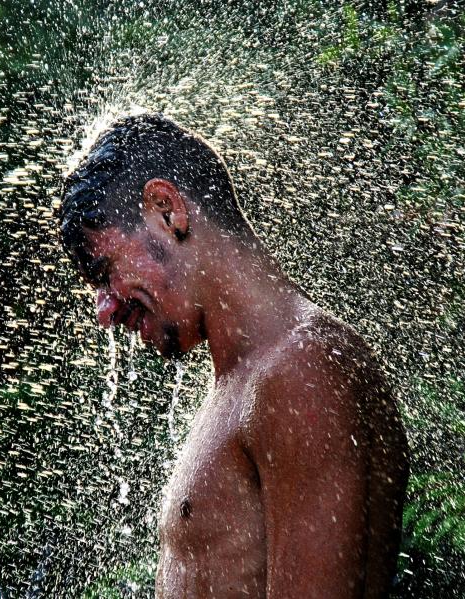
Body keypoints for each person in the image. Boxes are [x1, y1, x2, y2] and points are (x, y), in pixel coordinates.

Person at [58, 113, 409, 598]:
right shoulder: (250, 381)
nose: (105, 309)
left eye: (104, 270)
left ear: (167, 210)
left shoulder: (301, 371)